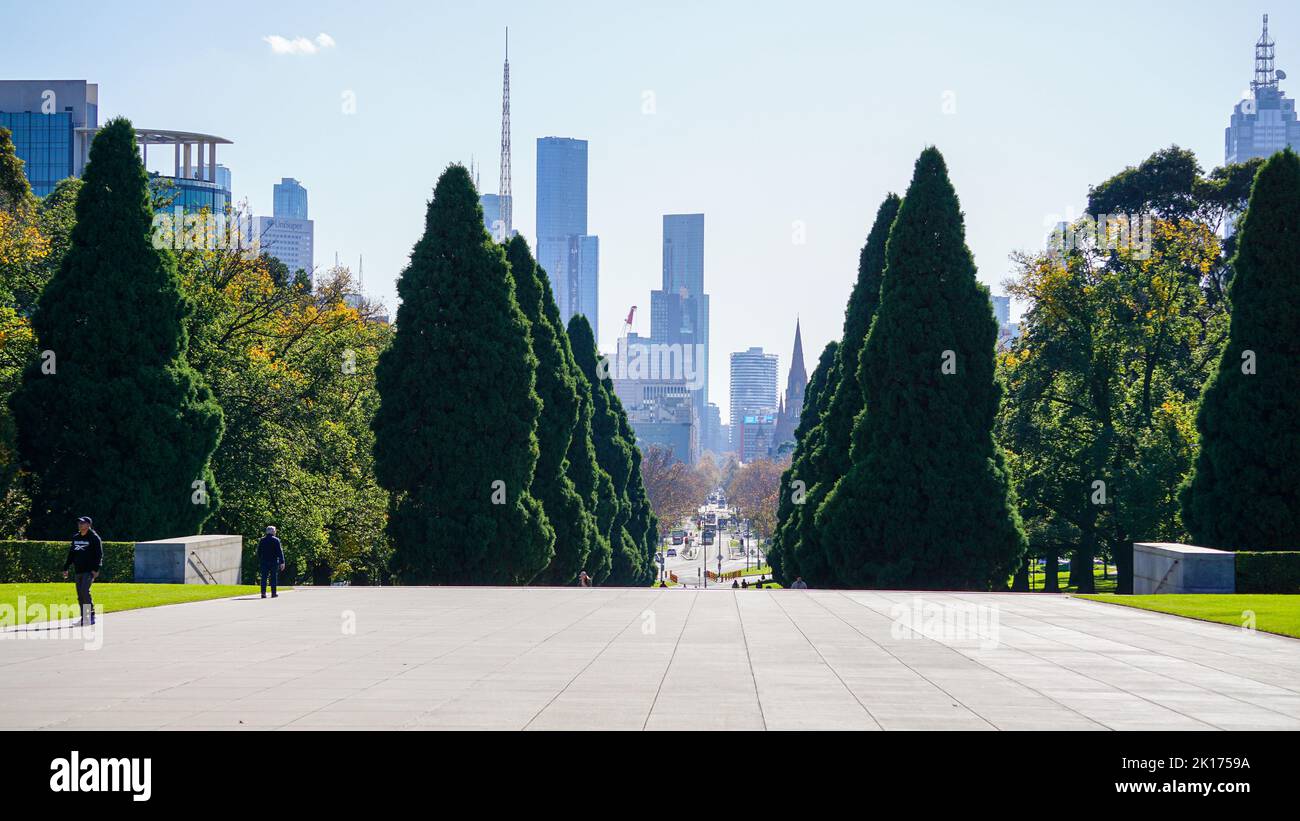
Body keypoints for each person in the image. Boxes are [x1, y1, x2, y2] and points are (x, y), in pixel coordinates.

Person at [61, 516, 102, 625]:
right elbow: (72, 554)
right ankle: (84, 616)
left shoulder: (94, 538)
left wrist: (96, 569)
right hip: (78, 570)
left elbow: (99, 554)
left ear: (88, 525)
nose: (80, 525)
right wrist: (66, 567)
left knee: (85, 591)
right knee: (80, 594)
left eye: (83, 523)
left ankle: (91, 615)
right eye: (79, 523)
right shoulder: (76, 537)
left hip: (89, 570)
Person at [257, 526, 286, 598]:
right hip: (273, 561)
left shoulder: (262, 540)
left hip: (264, 561)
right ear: (273, 532)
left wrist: (260, 559)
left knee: (264, 577)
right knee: (273, 577)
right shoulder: (276, 540)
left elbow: (259, 552)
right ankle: (273, 593)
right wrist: (282, 562)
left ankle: (263, 593)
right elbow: (279, 552)